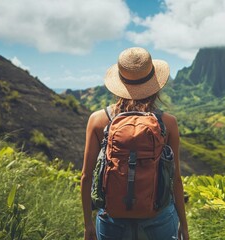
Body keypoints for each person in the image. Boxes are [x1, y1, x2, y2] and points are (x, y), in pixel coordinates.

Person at [81, 47, 189, 240]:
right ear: (154, 83)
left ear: (120, 83)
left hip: (112, 220)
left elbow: (85, 177)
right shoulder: (168, 122)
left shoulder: (97, 120)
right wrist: (184, 225)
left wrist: (88, 225)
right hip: (158, 218)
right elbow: (176, 179)